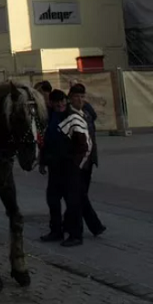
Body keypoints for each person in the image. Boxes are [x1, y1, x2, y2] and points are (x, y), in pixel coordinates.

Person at [40, 89, 91, 247]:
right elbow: (46, 143)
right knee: (53, 200)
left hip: (70, 168)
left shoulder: (74, 118)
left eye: (62, 101)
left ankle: (76, 235)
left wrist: (76, 165)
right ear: (52, 103)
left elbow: (85, 145)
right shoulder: (49, 118)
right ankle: (56, 231)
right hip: (55, 167)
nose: (60, 104)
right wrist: (43, 162)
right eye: (57, 102)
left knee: (73, 202)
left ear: (65, 101)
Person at [68, 83, 106, 237]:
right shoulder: (68, 113)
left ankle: (69, 225)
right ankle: (94, 226)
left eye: (82, 96)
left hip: (88, 161)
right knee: (79, 195)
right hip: (76, 162)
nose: (80, 99)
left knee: (80, 195)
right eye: (76, 96)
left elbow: (94, 117)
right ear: (70, 97)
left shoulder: (86, 112)